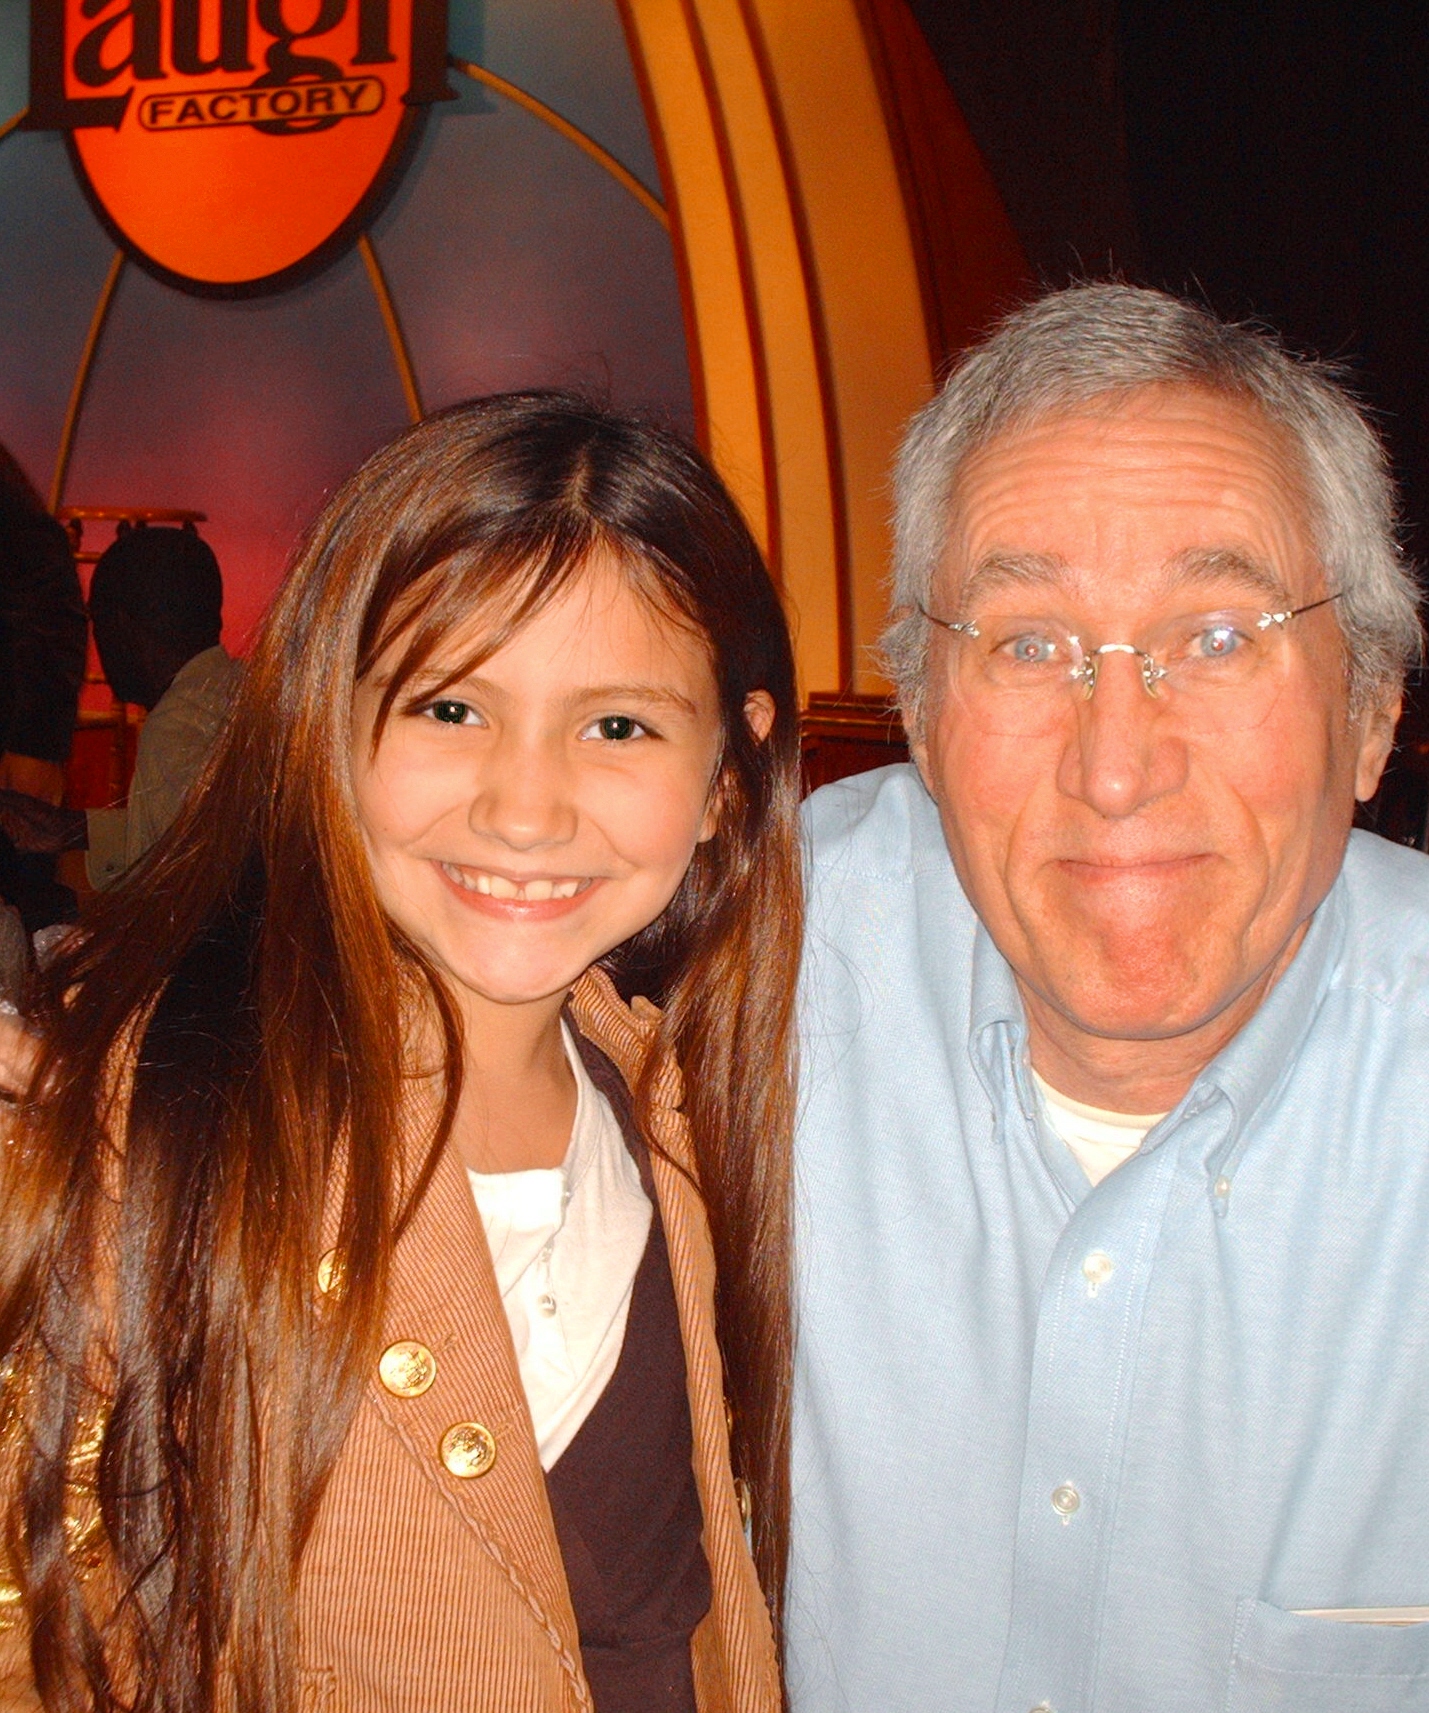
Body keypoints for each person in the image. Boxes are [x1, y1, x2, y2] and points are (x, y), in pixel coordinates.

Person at [0, 394, 800, 1712]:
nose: (525, 805)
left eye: (618, 727)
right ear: (326, 718)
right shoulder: (129, 1141)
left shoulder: (698, 1123)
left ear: (728, 771)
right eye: (448, 709)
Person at [788, 285, 1429, 1712]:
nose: (1117, 763)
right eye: (1027, 643)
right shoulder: (733, 973)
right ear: (919, 717)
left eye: (1217, 635)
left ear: (1371, 705)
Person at [0, 522, 243, 889]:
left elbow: (175, 892)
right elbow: (180, 834)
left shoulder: (177, 727)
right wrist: (71, 828)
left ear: (121, 627)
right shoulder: (235, 692)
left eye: (97, 623)